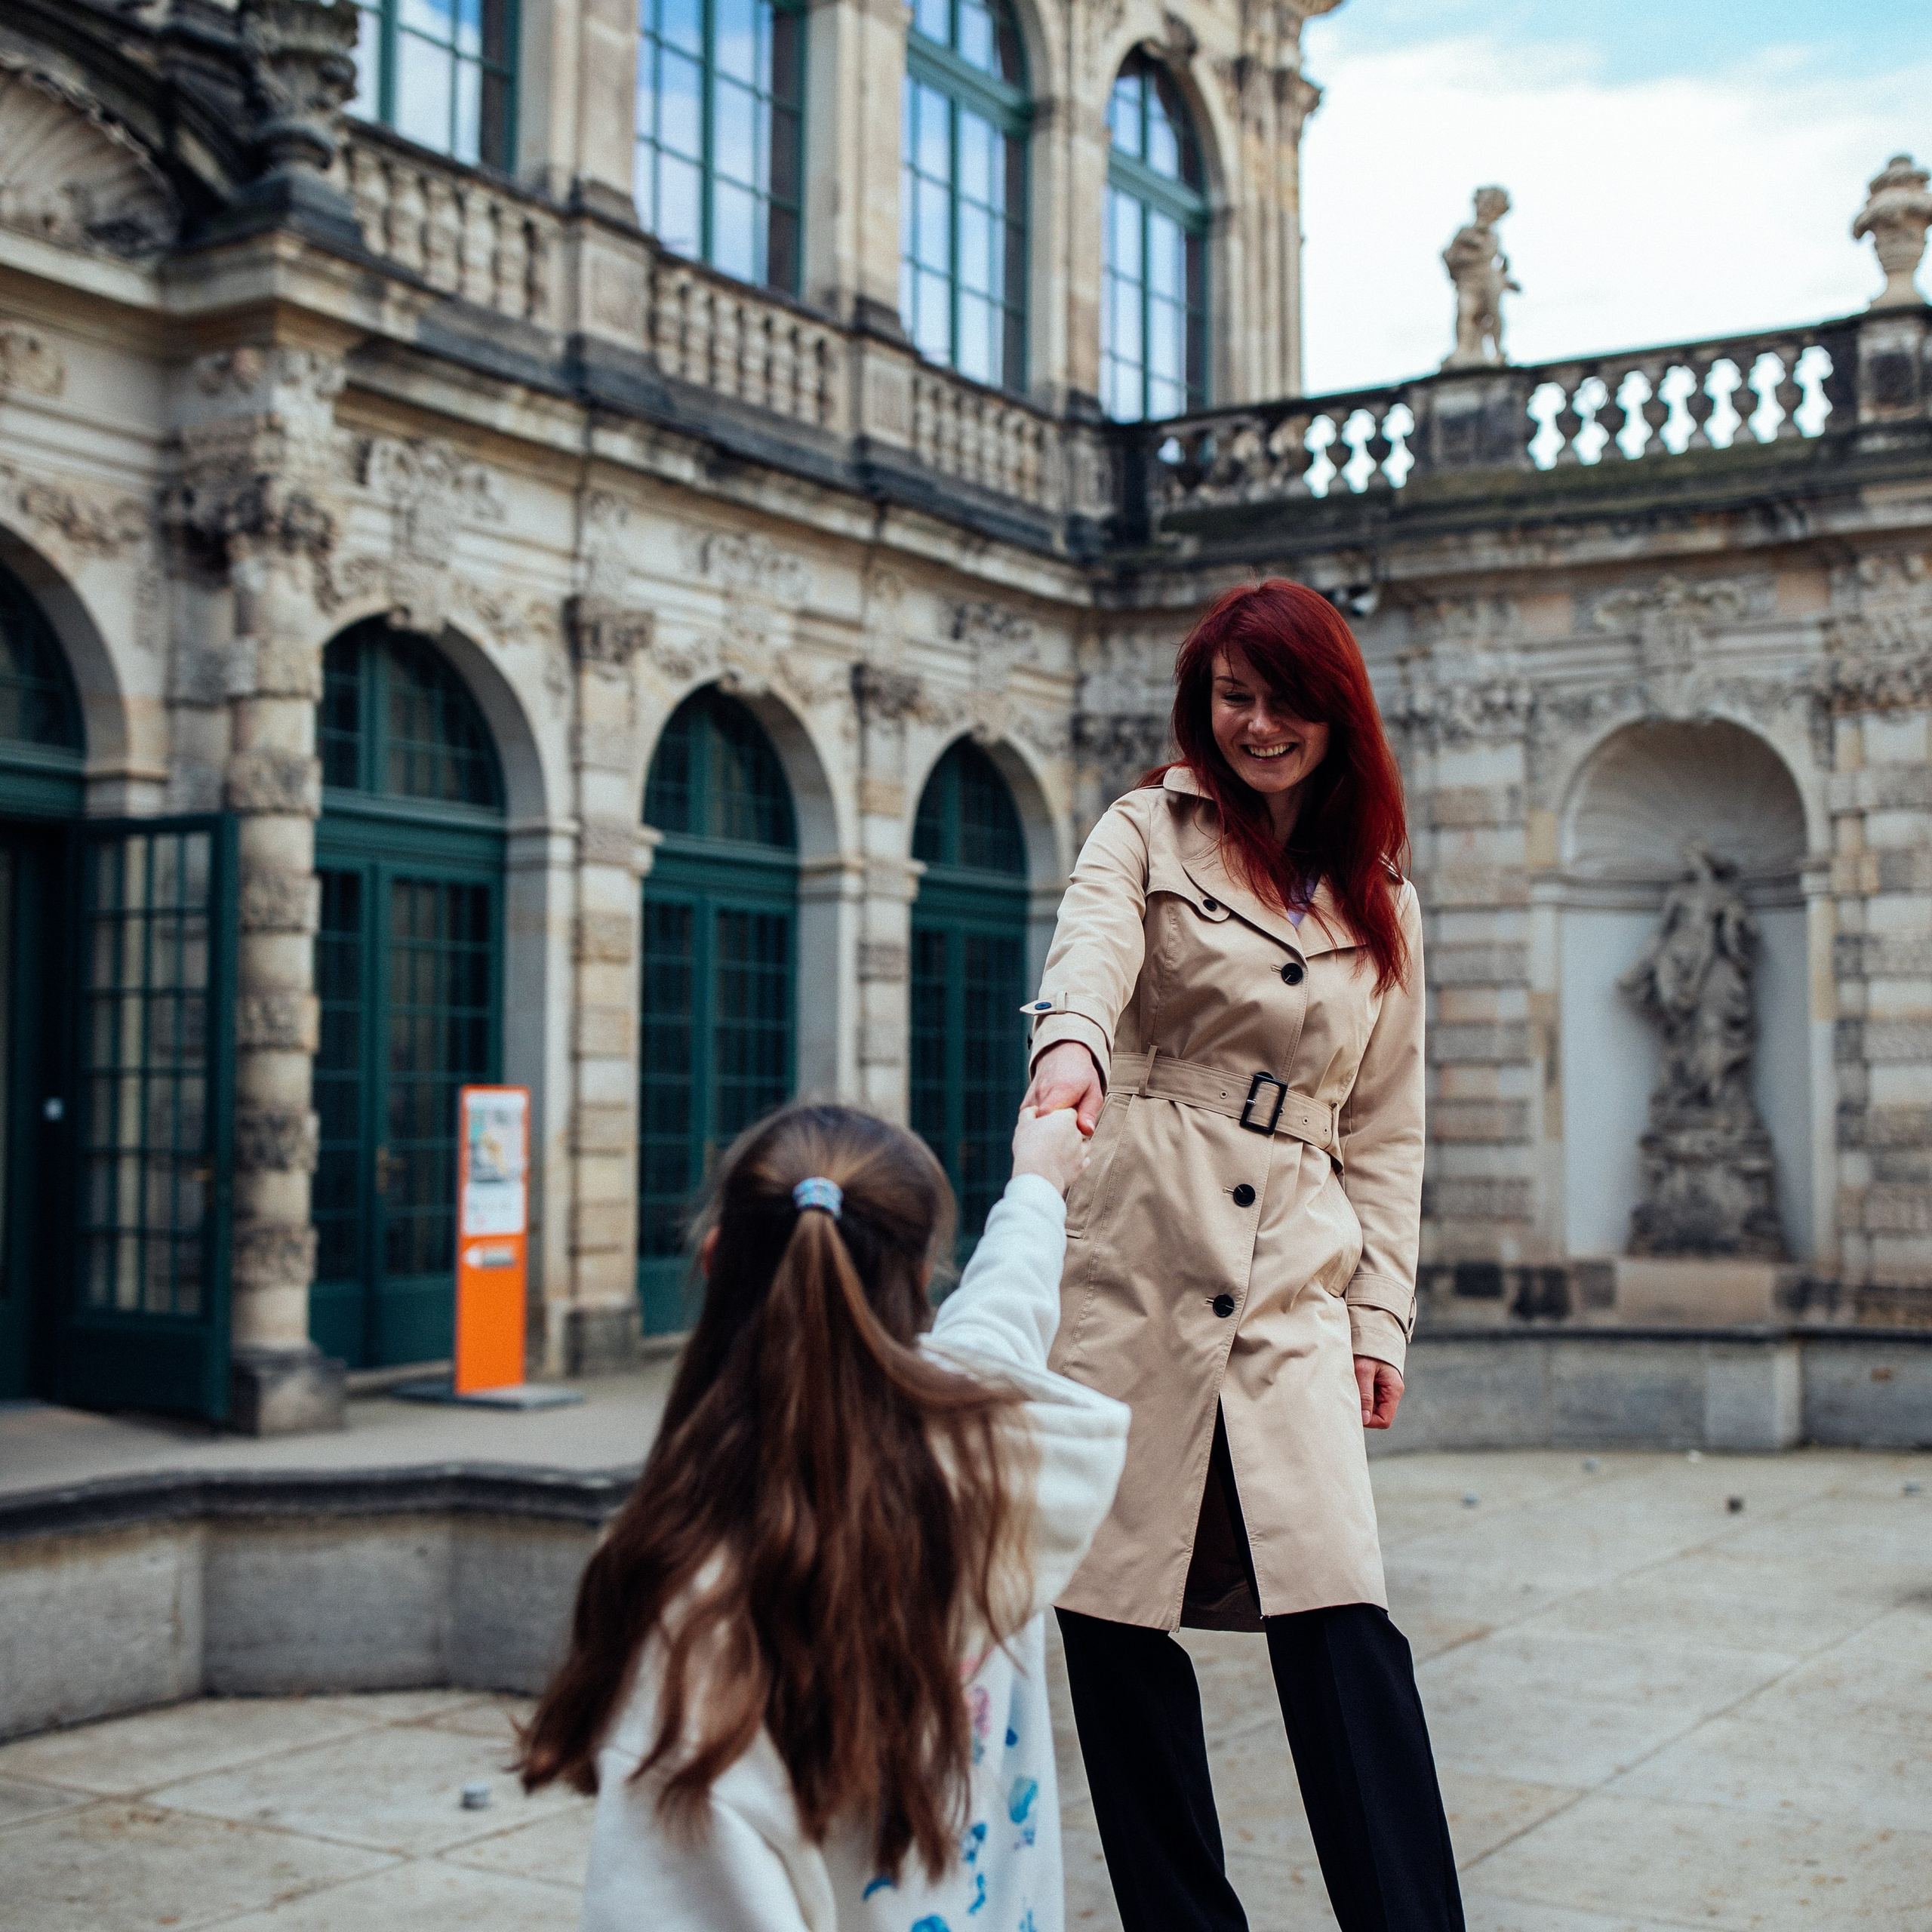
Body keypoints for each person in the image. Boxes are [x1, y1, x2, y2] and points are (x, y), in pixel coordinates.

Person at [1023, 580, 1464, 1932]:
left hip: (1295, 1276)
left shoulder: (1382, 892)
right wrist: (1069, 1048)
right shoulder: (1148, 829)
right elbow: (1090, 954)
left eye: (1285, 700)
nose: (1259, 724)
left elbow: (1388, 1130)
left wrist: (1379, 1322)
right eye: (1234, 697)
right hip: (1136, 1255)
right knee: (1113, 1617)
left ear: (1337, 713)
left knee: (1340, 1616)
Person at [519, 1100, 1130, 1932]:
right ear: (918, 1281)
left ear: (712, 1259)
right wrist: (1039, 1174)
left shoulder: (697, 1635)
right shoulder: (993, 1468)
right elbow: (1006, 1304)